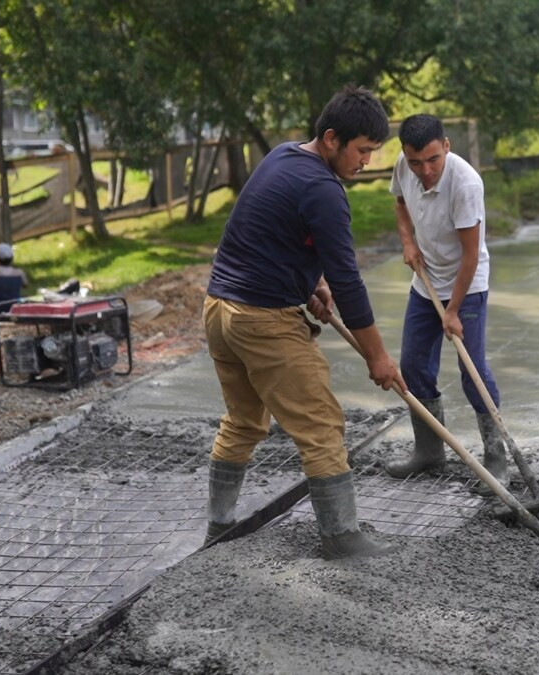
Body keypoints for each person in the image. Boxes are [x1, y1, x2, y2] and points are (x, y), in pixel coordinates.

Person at [202, 85, 406, 558]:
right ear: (332, 138)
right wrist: (377, 355)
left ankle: (219, 527)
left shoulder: (284, 157)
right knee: (320, 424)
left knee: (244, 421)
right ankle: (342, 538)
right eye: (362, 151)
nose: (366, 162)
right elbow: (350, 283)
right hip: (261, 321)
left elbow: (267, 233)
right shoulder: (323, 190)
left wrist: (307, 284)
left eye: (373, 153)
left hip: (219, 309)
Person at [382, 114, 508, 492]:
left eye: (433, 160)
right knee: (413, 366)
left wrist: (452, 310)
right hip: (425, 283)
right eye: (416, 162)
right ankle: (429, 451)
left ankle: (497, 457)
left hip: (466, 287)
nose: (425, 170)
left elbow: (471, 254)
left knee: (472, 371)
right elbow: (401, 203)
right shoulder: (405, 167)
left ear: (447, 146)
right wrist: (407, 242)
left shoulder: (466, 183)